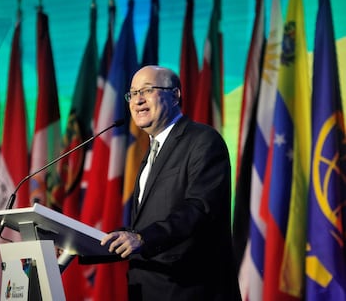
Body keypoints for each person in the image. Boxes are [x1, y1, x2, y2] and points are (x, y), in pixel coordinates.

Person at [100, 65, 241, 301]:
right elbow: (145, 225)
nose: (137, 100)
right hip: (149, 289)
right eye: (132, 94)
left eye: (146, 91)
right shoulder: (151, 153)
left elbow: (199, 208)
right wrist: (78, 246)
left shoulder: (202, 140)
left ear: (174, 95)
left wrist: (143, 238)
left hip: (191, 290)